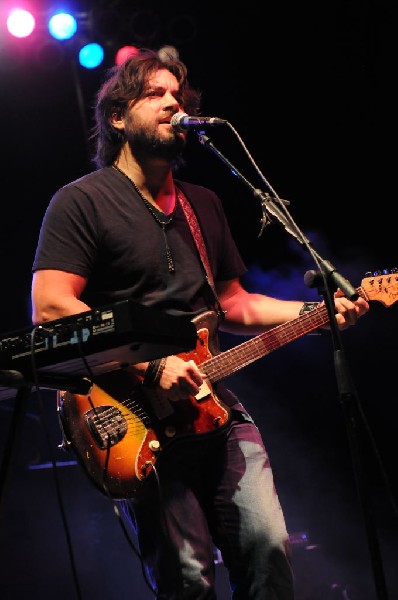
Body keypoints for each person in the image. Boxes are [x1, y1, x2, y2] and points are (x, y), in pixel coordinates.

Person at [30, 47, 369, 599]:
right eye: (155, 95)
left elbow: (234, 304)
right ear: (118, 117)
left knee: (268, 549)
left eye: (178, 96)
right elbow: (50, 306)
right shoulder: (81, 203)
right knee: (187, 579)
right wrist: (149, 363)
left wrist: (320, 314)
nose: (173, 104)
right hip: (131, 416)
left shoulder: (203, 203)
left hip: (211, 407)